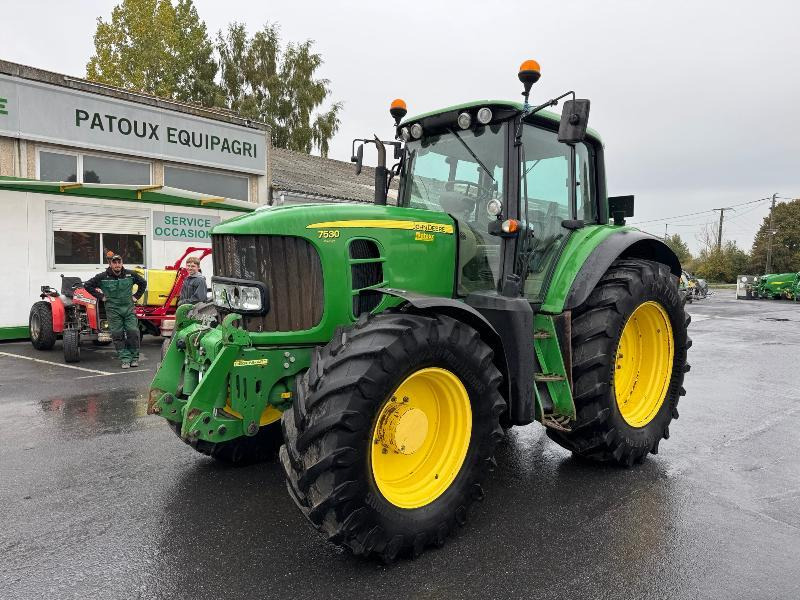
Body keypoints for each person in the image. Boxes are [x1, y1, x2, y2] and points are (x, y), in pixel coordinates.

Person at [84, 253, 147, 369]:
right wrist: (101, 296)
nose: (117, 264)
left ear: (122, 263)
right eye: (114, 262)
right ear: (111, 264)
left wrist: (136, 296)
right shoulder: (102, 276)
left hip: (128, 308)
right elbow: (88, 285)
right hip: (113, 310)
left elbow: (143, 283)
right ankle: (125, 358)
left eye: (119, 262)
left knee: (133, 332)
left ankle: (134, 358)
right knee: (117, 334)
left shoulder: (130, 275)